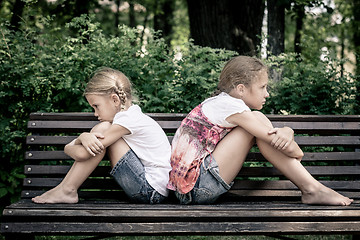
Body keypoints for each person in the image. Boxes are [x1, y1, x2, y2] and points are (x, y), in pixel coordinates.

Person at [167, 55, 353, 206]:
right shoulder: (231, 107)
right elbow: (294, 151)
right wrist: (289, 134)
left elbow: (277, 141)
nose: (267, 93)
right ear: (241, 89)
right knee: (257, 122)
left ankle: (312, 189)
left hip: (191, 188)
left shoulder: (223, 104)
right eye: (263, 87)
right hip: (195, 188)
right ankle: (312, 189)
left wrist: (287, 131)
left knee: (258, 120)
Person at [32, 67, 172, 204]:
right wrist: (83, 138)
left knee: (103, 129)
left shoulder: (128, 121)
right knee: (103, 131)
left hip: (149, 191)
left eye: (96, 106)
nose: (95, 114)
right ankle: (66, 189)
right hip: (152, 189)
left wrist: (73, 143)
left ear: (115, 100)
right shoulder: (131, 116)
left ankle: (67, 190)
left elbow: (82, 154)